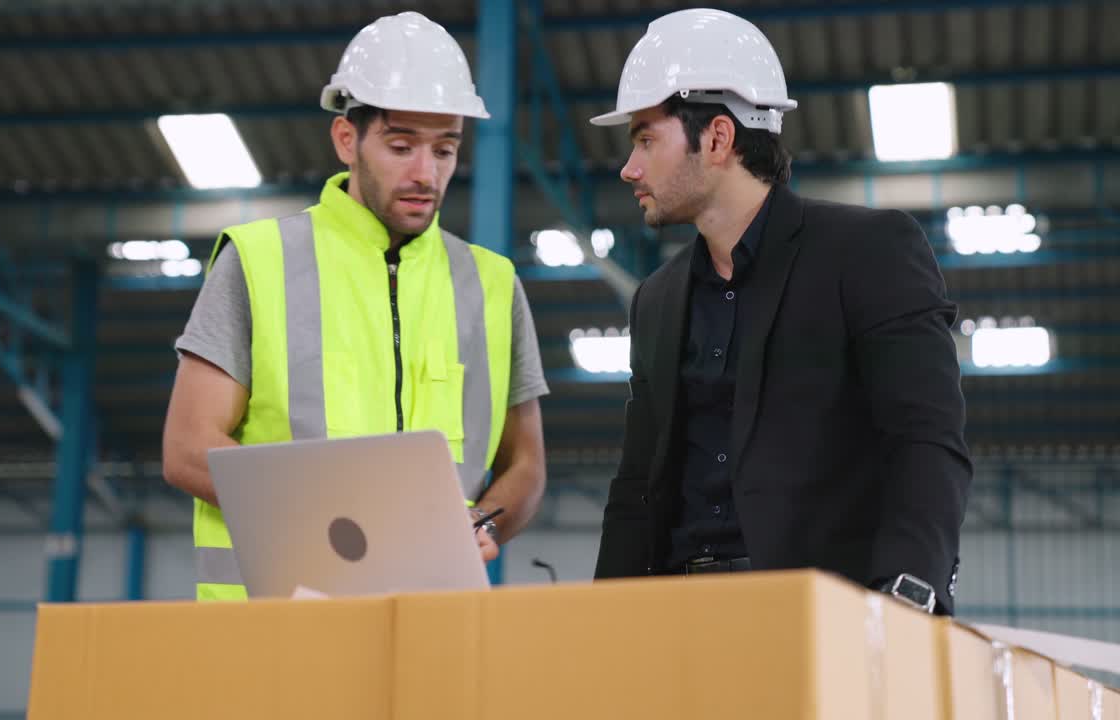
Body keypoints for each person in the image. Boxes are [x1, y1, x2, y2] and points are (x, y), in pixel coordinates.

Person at [589, 9, 971, 614]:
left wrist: (909, 589)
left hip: (822, 619)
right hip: (675, 623)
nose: (629, 168)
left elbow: (924, 438)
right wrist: (601, 620)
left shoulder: (868, 252)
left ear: (717, 138)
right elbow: (637, 486)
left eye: (645, 139)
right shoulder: (656, 300)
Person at [162, 11, 548, 601]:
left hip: (432, 623)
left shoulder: (493, 284)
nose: (427, 173)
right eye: (401, 146)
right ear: (347, 139)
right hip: (272, 626)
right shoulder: (259, 260)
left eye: (445, 150)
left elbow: (525, 465)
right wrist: (331, 516)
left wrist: (483, 523)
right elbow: (188, 447)